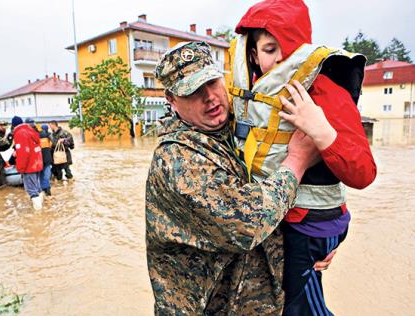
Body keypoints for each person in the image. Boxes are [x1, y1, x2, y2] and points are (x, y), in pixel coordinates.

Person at [146, 41, 328, 314]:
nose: (209, 97)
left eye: (212, 82)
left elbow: (274, 196)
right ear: (171, 101)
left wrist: (313, 242)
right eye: (193, 91)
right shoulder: (176, 159)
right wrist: (297, 162)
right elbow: (248, 223)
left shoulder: (237, 131)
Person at [232, 1, 377, 315]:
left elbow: (364, 173)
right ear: (253, 55)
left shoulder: (323, 88)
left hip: (310, 225)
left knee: (301, 311)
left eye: (290, 49)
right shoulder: (248, 93)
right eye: (270, 50)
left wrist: (320, 130)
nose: (282, 59)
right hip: (280, 224)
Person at [13, 118, 44, 210]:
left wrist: (21, 168)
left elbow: (24, 152)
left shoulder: (20, 133)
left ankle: (38, 214)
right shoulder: (31, 131)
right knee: (38, 188)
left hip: (29, 166)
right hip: (37, 163)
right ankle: (41, 208)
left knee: (32, 191)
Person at [38, 124, 53, 196]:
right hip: (47, 160)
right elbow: (51, 146)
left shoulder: (36, 137)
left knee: (41, 175)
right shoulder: (48, 136)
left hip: (39, 160)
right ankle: (47, 189)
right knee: (46, 175)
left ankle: (42, 189)